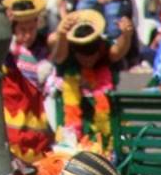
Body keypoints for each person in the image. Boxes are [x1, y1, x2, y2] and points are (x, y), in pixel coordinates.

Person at [50, 9, 135, 149]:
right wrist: (62, 33)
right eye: (82, 55)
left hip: (105, 120)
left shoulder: (104, 48)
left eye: (92, 54)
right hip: (73, 121)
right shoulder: (66, 51)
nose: (88, 60)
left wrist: (126, 35)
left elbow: (117, 52)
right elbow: (58, 57)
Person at [0, 0, 53, 165]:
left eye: (32, 29)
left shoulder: (43, 48)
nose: (28, 35)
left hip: (37, 114)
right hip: (14, 113)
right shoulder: (6, 50)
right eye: (22, 30)